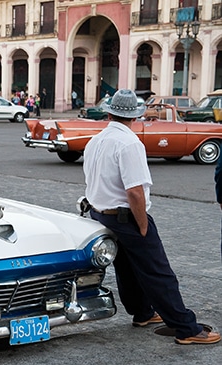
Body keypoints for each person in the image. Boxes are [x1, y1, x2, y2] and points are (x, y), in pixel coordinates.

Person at [83, 89, 220, 345]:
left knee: (126, 269)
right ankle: (185, 328)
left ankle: (142, 313)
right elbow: (134, 191)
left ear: (110, 112)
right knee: (158, 272)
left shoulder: (96, 140)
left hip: (101, 215)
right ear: (136, 115)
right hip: (126, 216)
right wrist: (143, 224)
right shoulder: (129, 143)